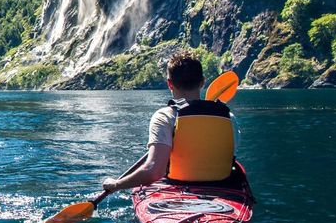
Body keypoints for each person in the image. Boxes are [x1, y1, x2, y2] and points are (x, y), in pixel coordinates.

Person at [102, 50, 238, 193]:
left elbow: (154, 172)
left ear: (169, 84)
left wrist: (116, 185)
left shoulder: (165, 117)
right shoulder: (229, 117)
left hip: (178, 187)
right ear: (203, 82)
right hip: (223, 189)